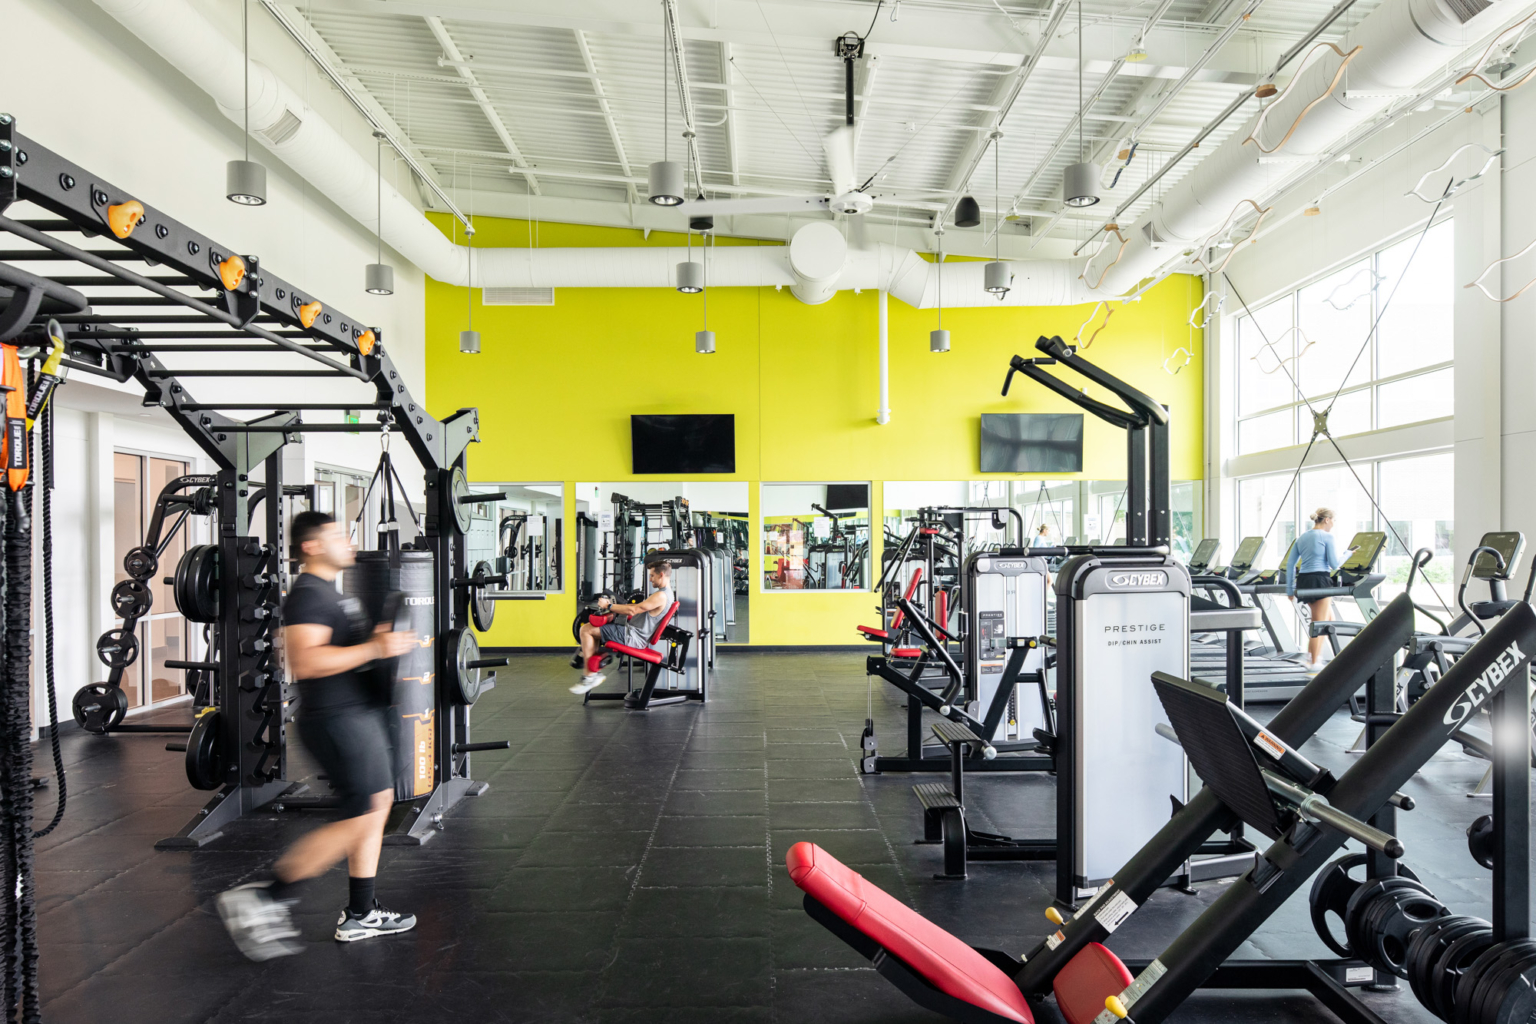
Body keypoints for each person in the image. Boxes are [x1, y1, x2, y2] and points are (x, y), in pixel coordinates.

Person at [215, 511, 417, 961]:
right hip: (335, 720)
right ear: (311, 546)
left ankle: (362, 913)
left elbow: (349, 652)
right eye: (337, 536)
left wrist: (380, 645)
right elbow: (306, 663)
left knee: (376, 806)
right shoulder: (308, 595)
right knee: (360, 817)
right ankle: (266, 896)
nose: (348, 542)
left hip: (356, 715)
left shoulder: (332, 594)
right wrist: (375, 648)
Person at [570, 562, 675, 694]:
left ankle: (590, 676)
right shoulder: (667, 594)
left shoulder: (661, 596)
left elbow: (633, 610)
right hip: (633, 633)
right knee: (592, 629)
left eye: (652, 575)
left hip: (632, 636)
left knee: (586, 629)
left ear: (661, 575)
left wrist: (608, 606)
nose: (650, 579)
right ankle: (592, 670)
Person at [1285, 507, 1355, 671]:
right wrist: (1348, 553)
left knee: (1328, 621)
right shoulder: (1327, 536)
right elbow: (1335, 564)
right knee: (1319, 623)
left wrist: (1290, 589)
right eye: (1334, 521)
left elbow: (1290, 564)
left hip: (1304, 580)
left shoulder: (1301, 538)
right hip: (1320, 579)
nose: (1333, 525)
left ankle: (1321, 657)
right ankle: (1313, 663)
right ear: (1327, 520)